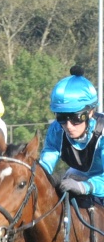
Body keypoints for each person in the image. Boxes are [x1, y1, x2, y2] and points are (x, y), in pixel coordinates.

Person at [37, 68, 104, 198]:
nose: (68, 126)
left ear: (90, 112)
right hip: (80, 175)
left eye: (76, 118)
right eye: (61, 117)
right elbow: (46, 163)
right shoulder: (57, 130)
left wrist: (86, 186)